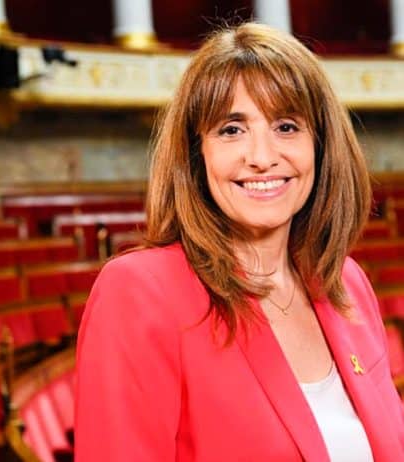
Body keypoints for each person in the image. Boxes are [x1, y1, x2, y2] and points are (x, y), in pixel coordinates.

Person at [74, 22, 404, 461]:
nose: (262, 157)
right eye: (232, 129)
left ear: (321, 147)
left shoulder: (347, 283)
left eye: (286, 126)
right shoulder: (140, 293)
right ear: (197, 153)